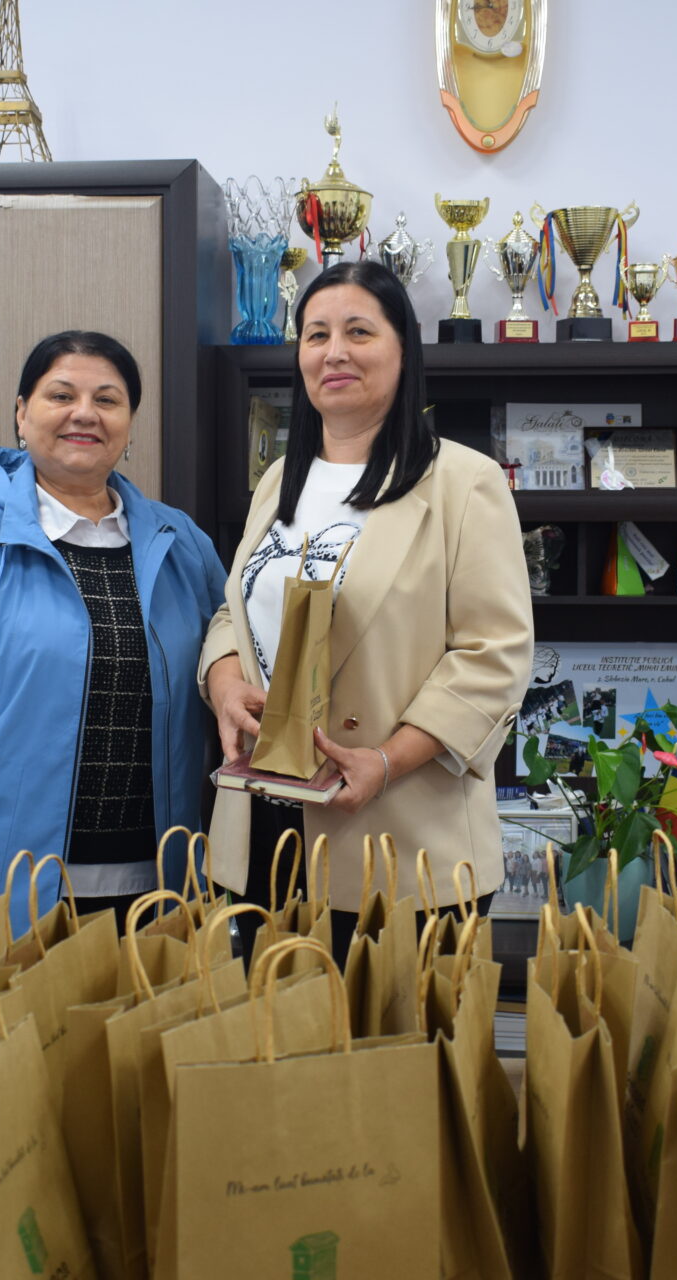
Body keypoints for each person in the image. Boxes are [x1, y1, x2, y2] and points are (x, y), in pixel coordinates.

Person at [199, 260, 534, 940]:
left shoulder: (463, 482)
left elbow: (493, 655)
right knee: (270, 1009)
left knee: (396, 1014)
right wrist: (225, 683)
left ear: (403, 349)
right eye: (316, 335)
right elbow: (237, 610)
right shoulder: (279, 482)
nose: (335, 352)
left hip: (403, 840)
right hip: (265, 829)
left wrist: (386, 762)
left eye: (359, 331)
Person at [0, 330, 224, 938]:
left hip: (157, 877)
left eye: (107, 400)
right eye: (61, 395)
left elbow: (229, 654)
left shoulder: (180, 543)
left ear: (129, 425)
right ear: (21, 413)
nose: (85, 413)